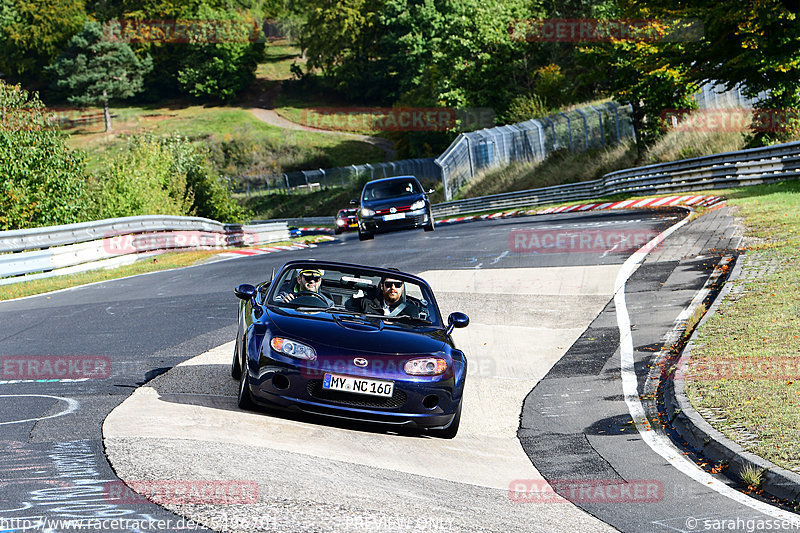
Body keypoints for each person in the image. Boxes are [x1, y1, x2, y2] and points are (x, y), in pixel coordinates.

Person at [353, 276, 420, 317]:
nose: (393, 288)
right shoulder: (366, 303)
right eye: (388, 284)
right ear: (382, 286)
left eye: (397, 285)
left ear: (402, 287)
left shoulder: (412, 310)